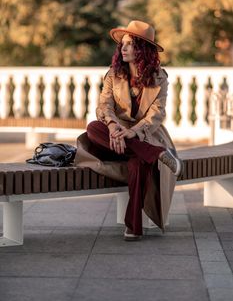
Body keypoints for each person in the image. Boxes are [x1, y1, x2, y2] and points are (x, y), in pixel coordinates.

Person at [77, 20, 183, 241]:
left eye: (130, 44)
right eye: (122, 44)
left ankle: (134, 227)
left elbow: (157, 113)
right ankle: (155, 154)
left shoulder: (160, 78)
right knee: (93, 128)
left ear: (143, 49)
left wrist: (134, 132)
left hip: (145, 135)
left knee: (138, 163)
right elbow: (103, 106)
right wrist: (114, 126)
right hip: (112, 135)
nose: (123, 49)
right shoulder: (113, 74)